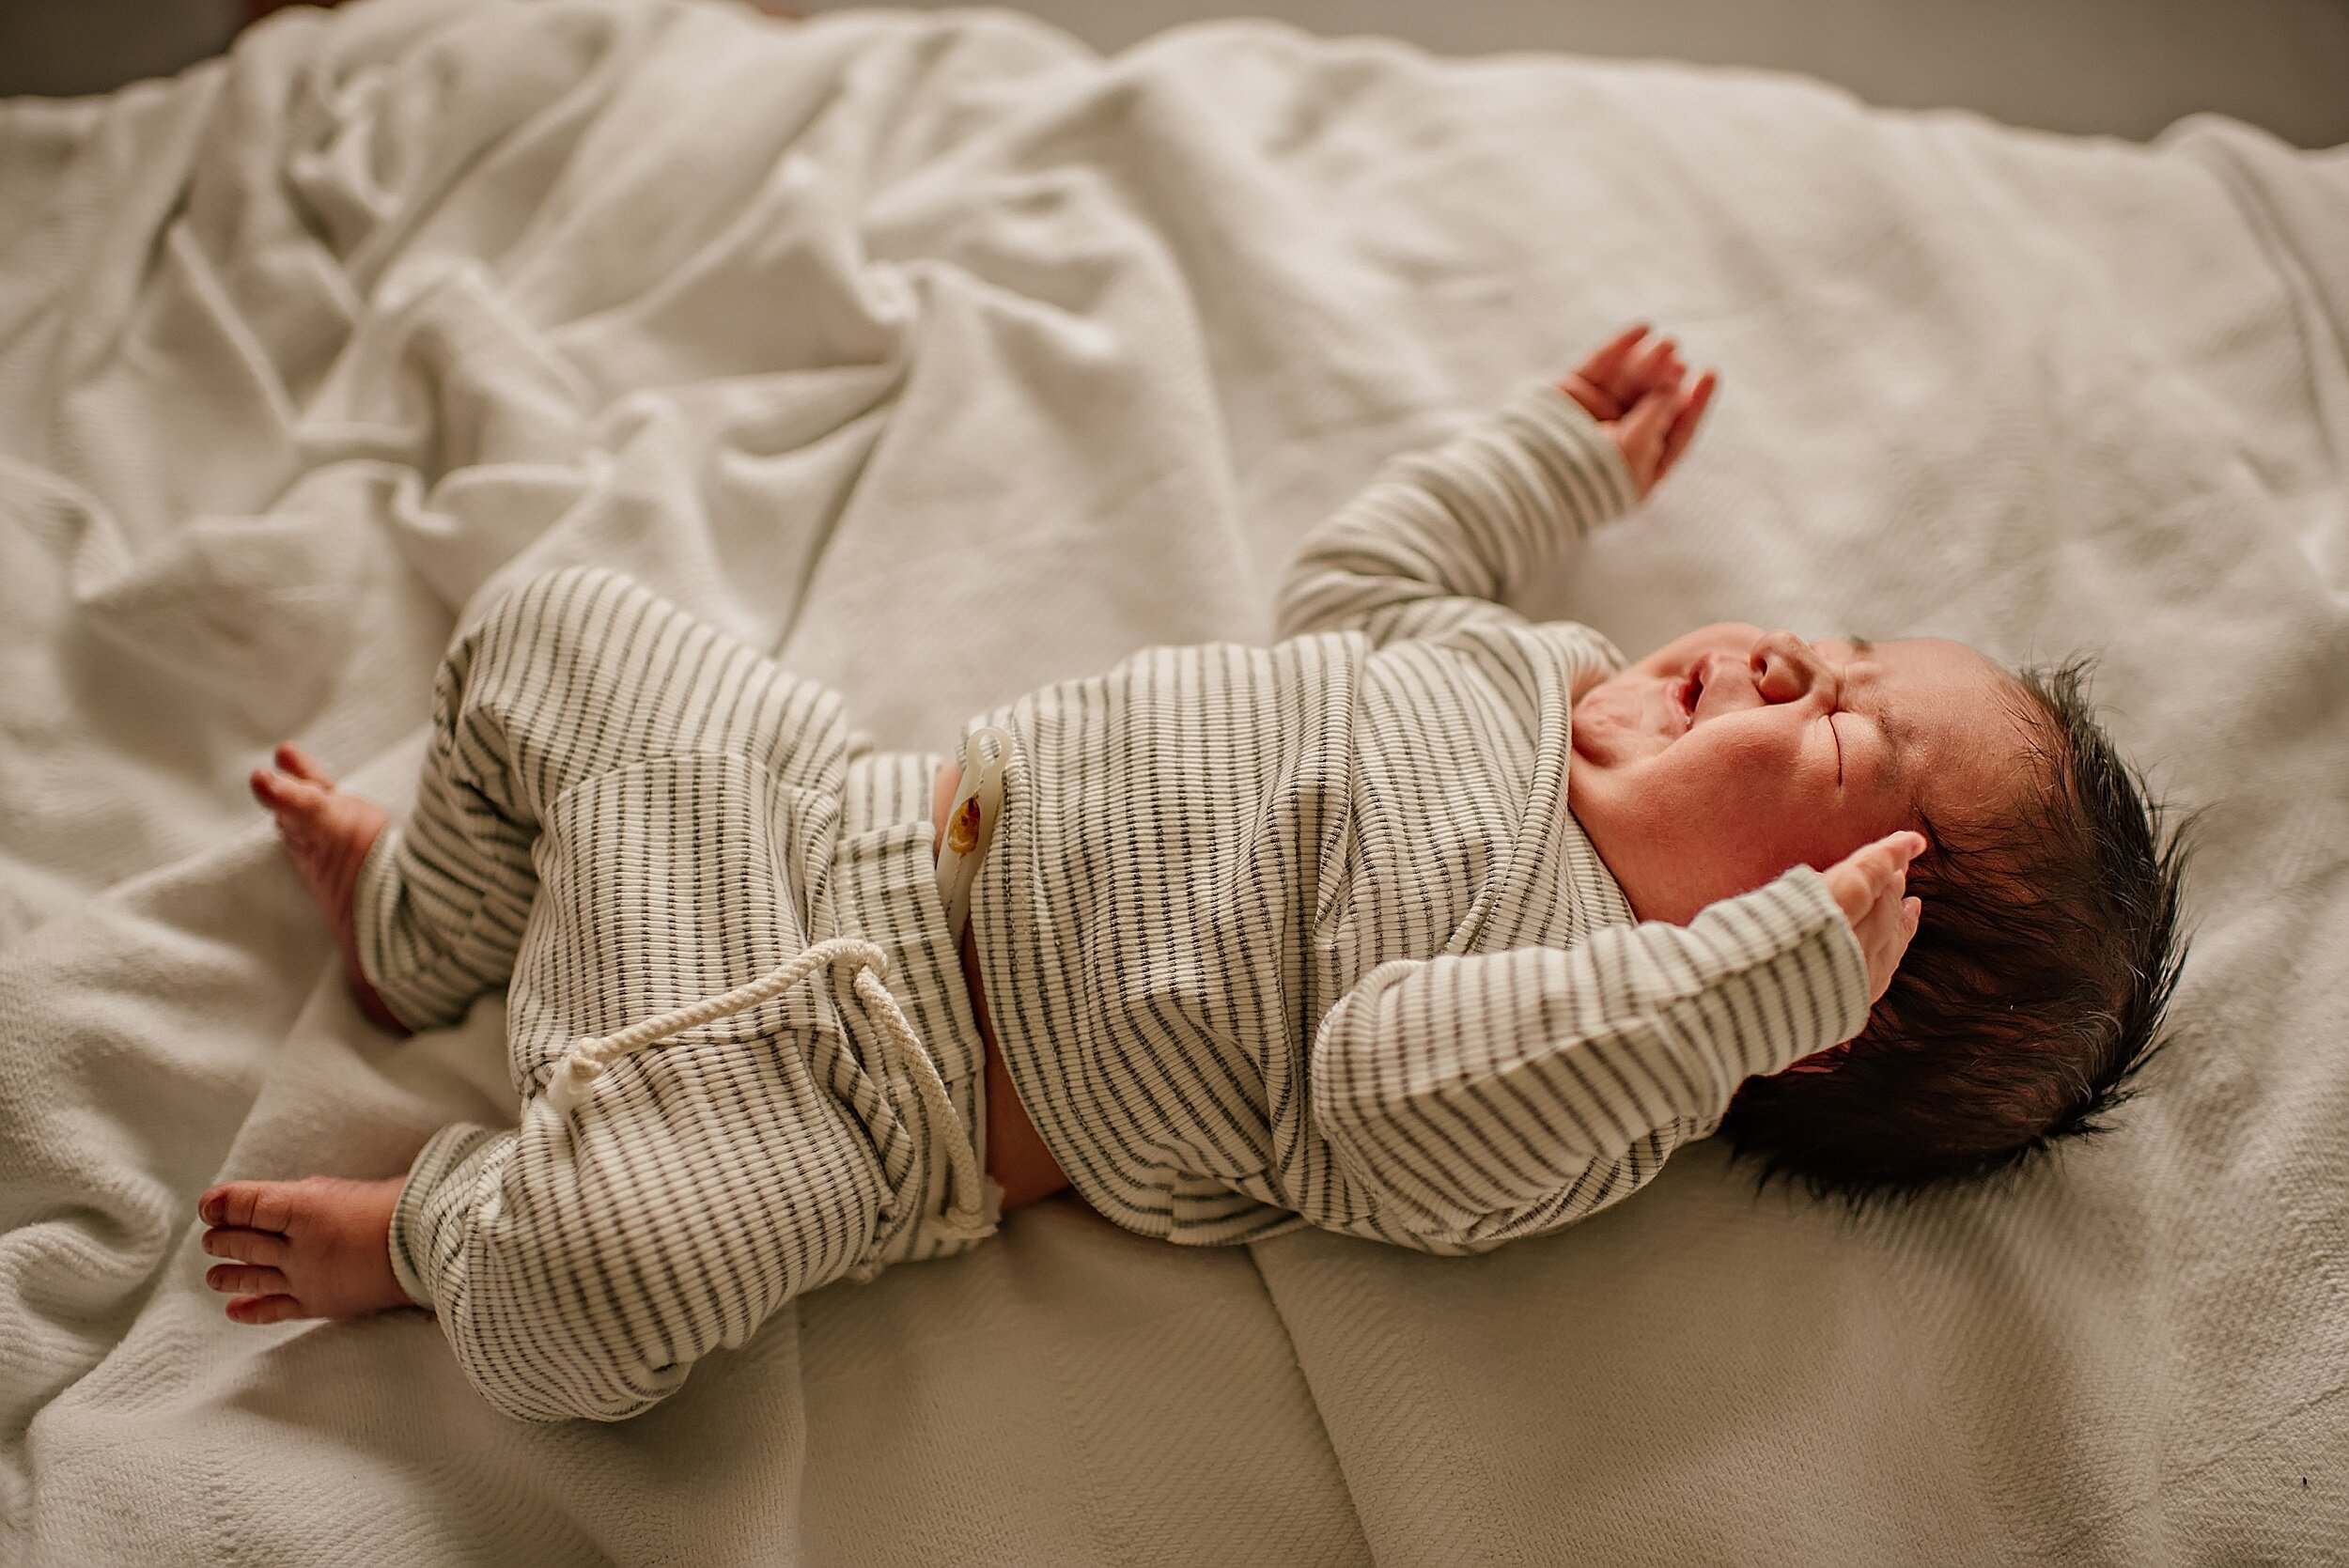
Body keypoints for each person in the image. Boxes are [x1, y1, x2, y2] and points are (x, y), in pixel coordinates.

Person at [198, 326, 2187, 1421]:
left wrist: (1714, 998)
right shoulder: (1531, 673)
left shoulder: (1583, 1059)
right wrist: (1535, 469)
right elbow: (1350, 594)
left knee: (600, 1290)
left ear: (1809, 992)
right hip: (823, 814)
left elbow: (1380, 1088)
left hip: (855, 1099)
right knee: (551, 626)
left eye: (1837, 737)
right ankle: (422, 935)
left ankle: (432, 1230)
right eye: (1830, 644)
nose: (1777, 659)